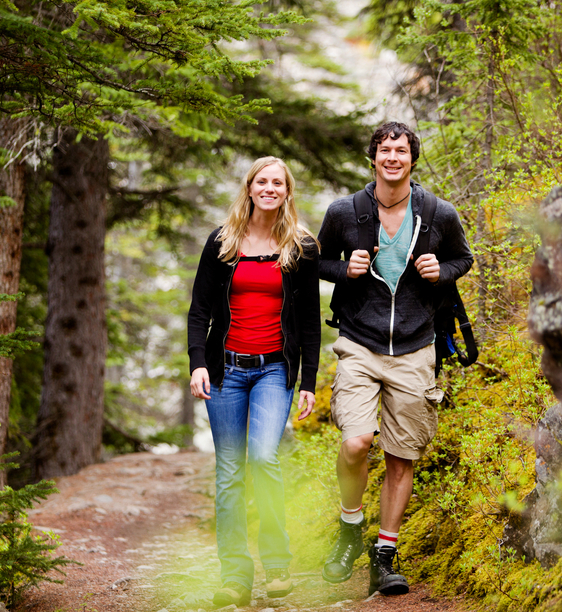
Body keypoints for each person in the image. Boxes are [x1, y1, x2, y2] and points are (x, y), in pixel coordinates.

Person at [316, 122, 473, 596]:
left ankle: (384, 554)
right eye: (384, 150)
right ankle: (349, 527)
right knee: (356, 442)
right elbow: (316, 262)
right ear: (373, 157)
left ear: (412, 159)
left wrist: (440, 271)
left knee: (401, 455)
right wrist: (344, 269)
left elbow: (463, 259)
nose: (392, 158)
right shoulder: (346, 210)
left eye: (401, 151)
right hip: (359, 343)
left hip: (416, 345)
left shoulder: (438, 212)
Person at [188, 156, 321, 607]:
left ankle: (277, 564)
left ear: (287, 191)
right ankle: (234, 577)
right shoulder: (222, 243)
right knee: (229, 473)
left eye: (277, 182)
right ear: (249, 189)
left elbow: (308, 322)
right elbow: (199, 310)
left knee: (263, 458)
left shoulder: (301, 246)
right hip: (225, 369)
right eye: (261, 181)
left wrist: (308, 381)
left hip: (273, 370)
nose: (268, 188)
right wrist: (197, 362)